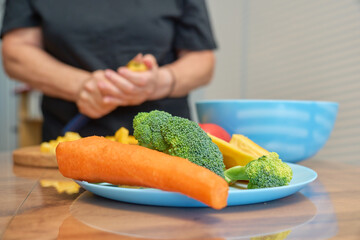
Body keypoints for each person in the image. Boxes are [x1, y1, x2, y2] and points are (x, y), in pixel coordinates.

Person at [1, 0, 217, 141]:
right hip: (69, 141)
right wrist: (81, 87)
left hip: (166, 143)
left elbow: (201, 59)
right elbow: (16, 52)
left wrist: (159, 83)